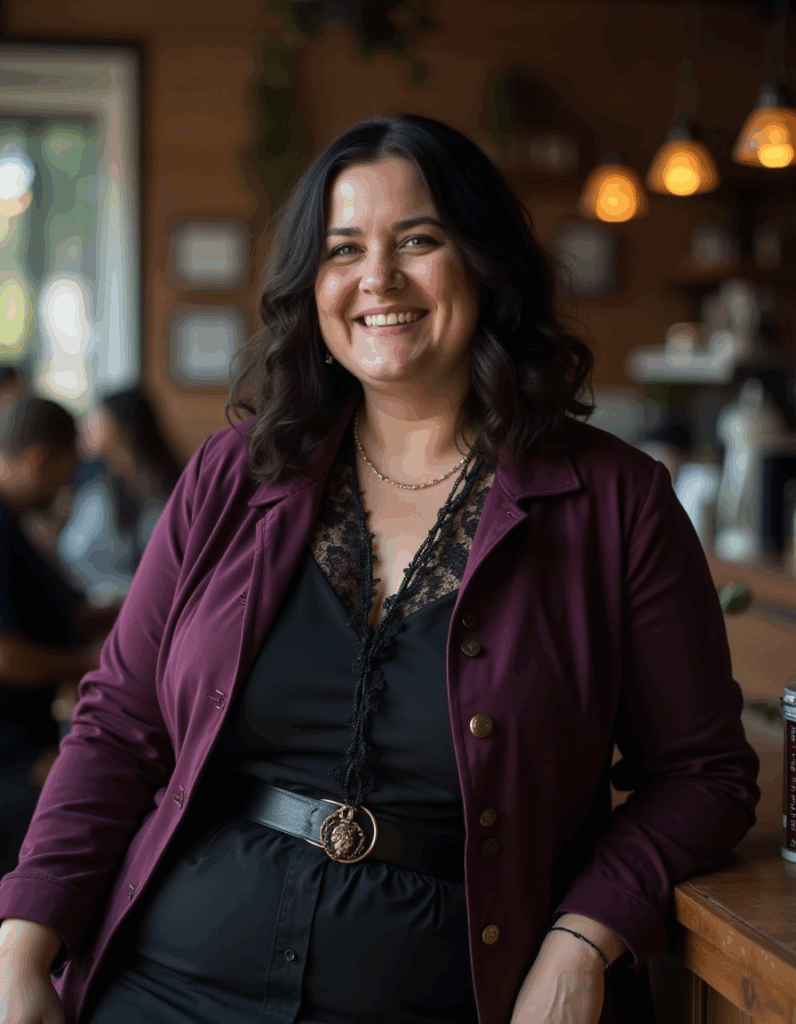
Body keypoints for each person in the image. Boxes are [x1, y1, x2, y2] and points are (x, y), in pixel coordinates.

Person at [0, 114, 759, 1024]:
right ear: (311, 286)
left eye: (419, 241)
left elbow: (705, 776)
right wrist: (21, 946)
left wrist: (580, 941)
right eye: (344, 249)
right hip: (170, 982)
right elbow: (120, 724)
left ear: (484, 263)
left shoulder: (616, 501)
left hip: (447, 994)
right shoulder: (233, 474)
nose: (378, 278)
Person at [0, 396, 101, 879]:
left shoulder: (18, 525)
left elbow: (56, 614)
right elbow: (5, 656)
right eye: (69, 467)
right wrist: (87, 663)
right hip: (12, 764)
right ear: (40, 458)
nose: (71, 482)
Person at [57, 388, 183, 606]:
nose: (86, 426)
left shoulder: (166, 491)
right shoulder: (90, 481)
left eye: (97, 419)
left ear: (121, 427)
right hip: (96, 604)